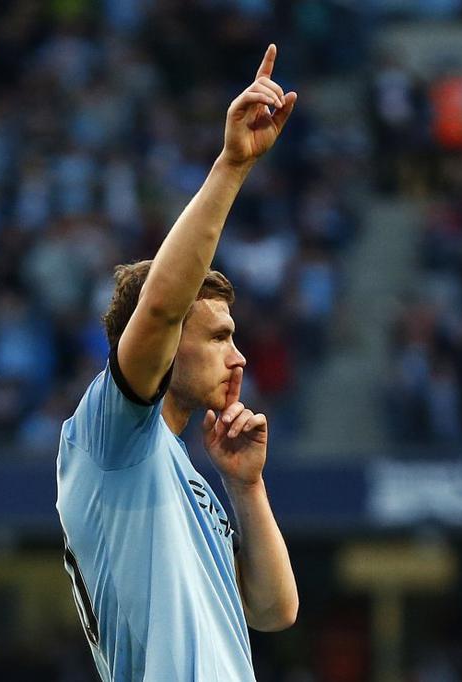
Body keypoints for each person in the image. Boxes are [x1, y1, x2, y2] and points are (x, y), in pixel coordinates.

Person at [55, 45, 299, 681]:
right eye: (218, 336)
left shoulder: (181, 477)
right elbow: (163, 305)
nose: (238, 356)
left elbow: (275, 611)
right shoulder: (111, 438)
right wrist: (232, 164)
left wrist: (246, 486)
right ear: (164, 343)